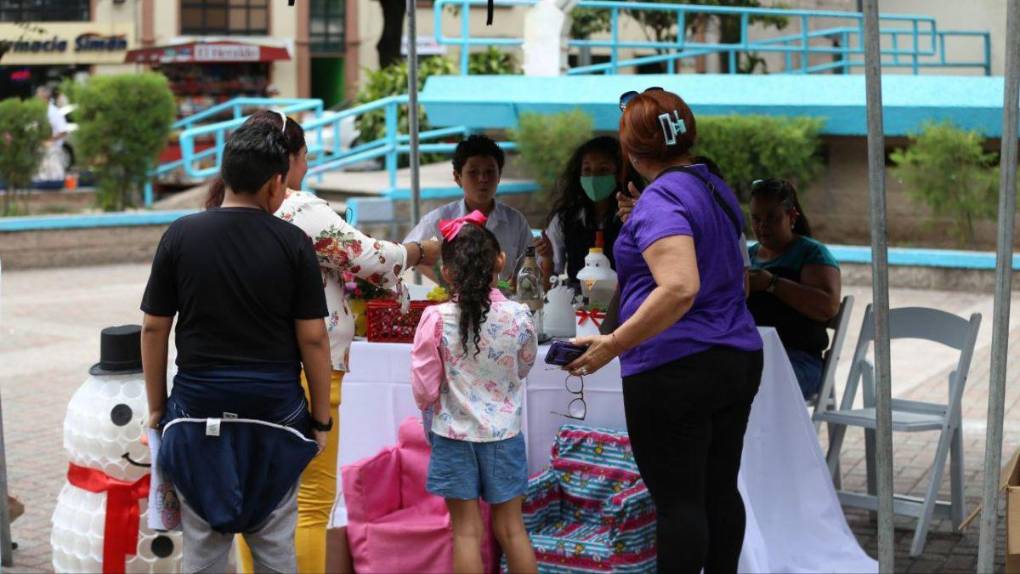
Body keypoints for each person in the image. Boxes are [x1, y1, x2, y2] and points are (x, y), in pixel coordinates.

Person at [207, 110, 441, 574]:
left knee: (255, 503)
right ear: (285, 160)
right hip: (307, 373)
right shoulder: (298, 209)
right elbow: (371, 258)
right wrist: (420, 252)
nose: (308, 167)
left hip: (251, 370)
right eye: (305, 157)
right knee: (310, 504)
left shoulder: (221, 215)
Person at [565, 88, 764, 574]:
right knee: (718, 490)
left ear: (630, 151)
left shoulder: (662, 199)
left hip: (676, 367)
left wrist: (613, 343)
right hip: (734, 355)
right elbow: (731, 271)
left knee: (679, 504)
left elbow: (679, 287)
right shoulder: (711, 186)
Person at [141, 119, 332, 573]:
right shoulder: (292, 243)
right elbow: (313, 338)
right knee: (274, 551)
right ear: (273, 183)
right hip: (276, 416)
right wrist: (321, 419)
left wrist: (156, 407)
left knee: (204, 553)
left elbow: (153, 329)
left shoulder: (181, 235)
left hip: (195, 411)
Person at [411, 212, 538, 574]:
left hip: (452, 435)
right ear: (500, 260)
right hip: (504, 435)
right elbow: (525, 365)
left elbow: (423, 385)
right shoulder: (519, 315)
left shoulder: (435, 318)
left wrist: (432, 406)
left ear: (447, 271)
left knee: (466, 532)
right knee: (512, 529)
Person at [747, 178, 841, 400]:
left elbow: (827, 307)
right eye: (756, 219)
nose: (762, 226)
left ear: (792, 217)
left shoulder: (812, 254)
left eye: (772, 218)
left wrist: (772, 284)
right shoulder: (747, 256)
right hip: (750, 354)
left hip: (799, 361)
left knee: (751, 384)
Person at [404, 135, 533, 284]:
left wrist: (515, 284)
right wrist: (447, 283)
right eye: (473, 172)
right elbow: (408, 251)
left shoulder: (515, 222)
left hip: (505, 303)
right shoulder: (439, 219)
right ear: (458, 177)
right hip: (456, 304)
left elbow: (531, 261)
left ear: (499, 176)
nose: (483, 179)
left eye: (490, 172)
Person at [535, 136, 623, 289]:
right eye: (587, 170)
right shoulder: (564, 219)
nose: (594, 177)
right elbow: (548, 283)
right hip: (579, 305)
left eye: (603, 170)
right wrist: (547, 257)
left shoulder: (633, 216)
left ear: (620, 173)